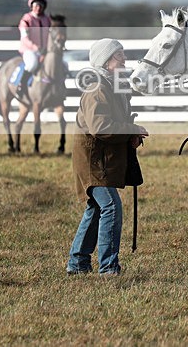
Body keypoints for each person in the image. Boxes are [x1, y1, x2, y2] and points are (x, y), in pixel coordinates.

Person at [68, 38, 148, 276]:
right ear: (105, 60)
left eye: (122, 54)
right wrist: (131, 131)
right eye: (118, 55)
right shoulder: (98, 87)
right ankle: (108, 267)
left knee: (95, 208)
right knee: (111, 206)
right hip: (94, 161)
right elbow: (100, 126)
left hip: (101, 159)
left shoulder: (111, 84)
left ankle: (78, 262)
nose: (123, 59)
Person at [17, 0, 52, 98]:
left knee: (61, 65)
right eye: (36, 5)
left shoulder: (47, 20)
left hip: (44, 50)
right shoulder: (26, 19)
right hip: (29, 50)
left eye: (41, 6)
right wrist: (35, 48)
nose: (38, 8)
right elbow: (25, 38)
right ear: (32, 6)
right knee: (32, 64)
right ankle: (21, 85)